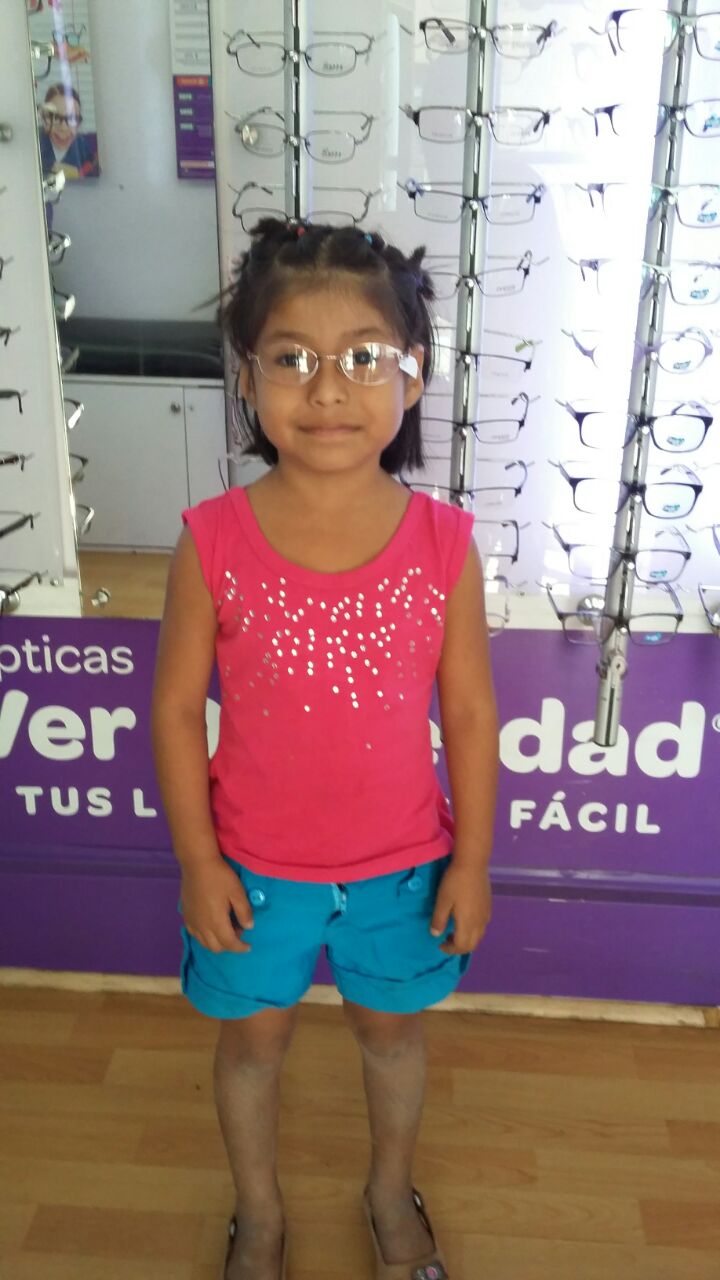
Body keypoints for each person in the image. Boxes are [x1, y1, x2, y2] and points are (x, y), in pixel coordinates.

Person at [151, 218, 499, 1280]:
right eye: (293, 359)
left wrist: (474, 861)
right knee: (254, 1042)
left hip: (403, 870)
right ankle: (259, 1215)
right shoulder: (212, 539)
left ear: (413, 372)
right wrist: (199, 861)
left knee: (391, 1035)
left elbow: (470, 714)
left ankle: (389, 1189)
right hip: (253, 873)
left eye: (363, 357)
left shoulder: (444, 544)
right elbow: (175, 710)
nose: (330, 389)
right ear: (247, 377)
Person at [38, 84, 98, 178]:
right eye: (55, 118)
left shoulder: (82, 146)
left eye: (71, 119)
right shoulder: (35, 144)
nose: (63, 128)